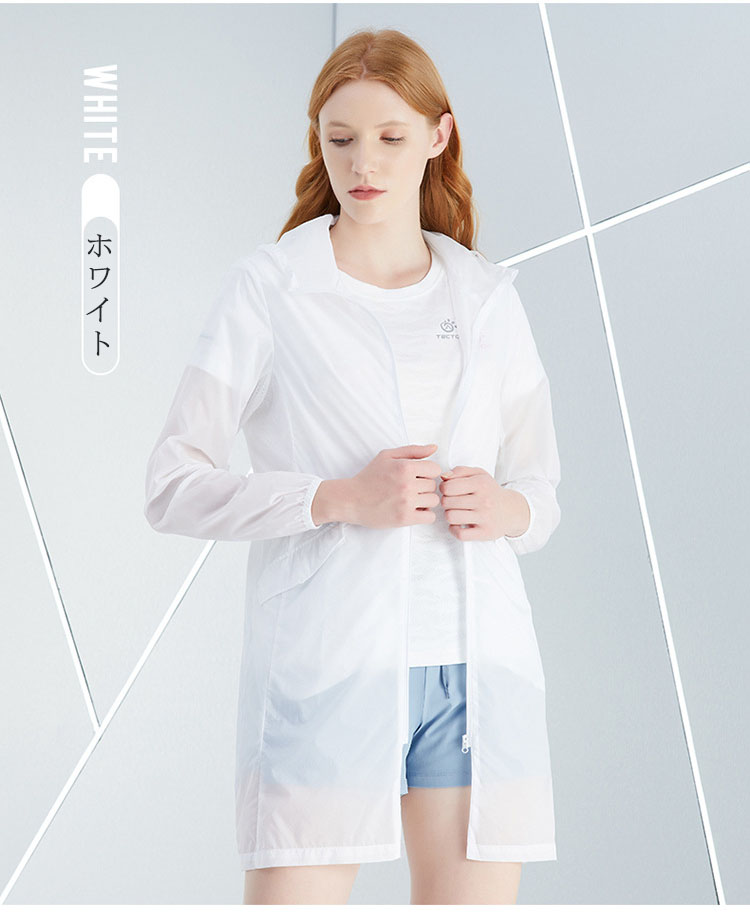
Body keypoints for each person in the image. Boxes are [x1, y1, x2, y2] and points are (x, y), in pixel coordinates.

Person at [144, 28, 561, 906]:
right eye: (340, 139)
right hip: (330, 663)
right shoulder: (270, 289)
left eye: (390, 137)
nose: (362, 163)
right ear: (319, 140)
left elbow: (541, 491)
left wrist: (507, 509)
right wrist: (336, 497)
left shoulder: (487, 297)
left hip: (476, 673)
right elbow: (172, 484)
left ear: (439, 136)